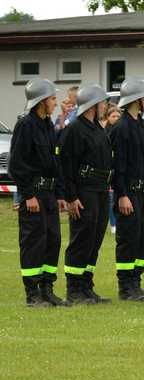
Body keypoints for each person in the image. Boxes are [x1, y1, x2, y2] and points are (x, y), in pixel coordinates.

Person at [9, 78, 68, 307]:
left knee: (52, 241)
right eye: (53, 98)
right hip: (34, 195)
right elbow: (17, 164)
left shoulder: (47, 125)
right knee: (33, 243)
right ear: (42, 101)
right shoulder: (26, 125)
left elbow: (56, 163)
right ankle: (32, 293)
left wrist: (60, 194)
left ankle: (47, 289)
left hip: (50, 195)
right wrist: (28, 194)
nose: (56, 102)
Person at [110, 77, 144, 302]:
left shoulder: (143, 125)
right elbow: (118, 165)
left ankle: (136, 281)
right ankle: (126, 285)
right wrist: (121, 195)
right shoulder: (121, 128)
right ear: (136, 99)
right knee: (128, 238)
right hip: (128, 193)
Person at [61, 84, 113, 305]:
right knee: (82, 238)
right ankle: (74, 288)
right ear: (93, 104)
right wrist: (72, 197)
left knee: (95, 239)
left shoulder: (98, 128)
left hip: (101, 190)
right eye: (102, 103)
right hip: (84, 191)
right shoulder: (74, 129)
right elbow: (66, 164)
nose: (104, 107)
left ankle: (86, 285)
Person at [102, 104, 121, 234]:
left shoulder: (122, 130)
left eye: (118, 116)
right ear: (107, 118)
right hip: (108, 168)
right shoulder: (104, 132)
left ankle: (118, 221)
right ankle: (113, 223)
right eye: (113, 116)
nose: (116, 118)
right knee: (110, 197)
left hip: (119, 168)